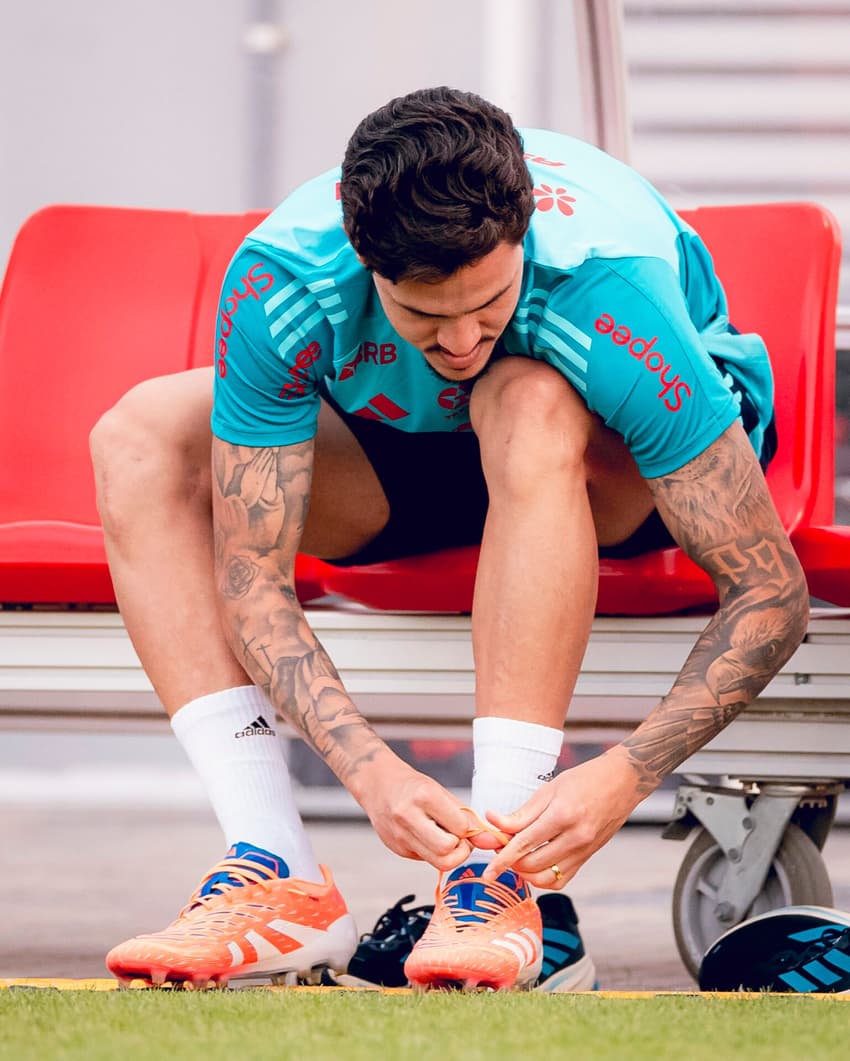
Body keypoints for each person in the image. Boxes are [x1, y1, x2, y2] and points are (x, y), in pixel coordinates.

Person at [91, 86, 808, 991]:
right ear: (366, 262)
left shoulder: (608, 285)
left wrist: (628, 773)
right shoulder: (282, 276)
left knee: (521, 391)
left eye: (489, 301)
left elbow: (772, 593)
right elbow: (252, 574)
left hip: (617, 456)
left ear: (524, 243)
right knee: (141, 432)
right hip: (421, 454)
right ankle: (276, 870)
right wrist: (366, 769)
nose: (463, 338)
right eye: (426, 316)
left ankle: (495, 876)